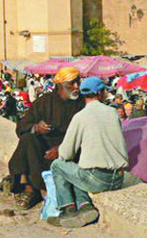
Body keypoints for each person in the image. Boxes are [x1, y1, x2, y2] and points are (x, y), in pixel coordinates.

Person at [48, 76, 128, 228]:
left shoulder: (80, 117)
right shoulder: (112, 113)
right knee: (80, 168)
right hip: (118, 178)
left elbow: (65, 154)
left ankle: (67, 210)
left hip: (98, 179)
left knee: (58, 166)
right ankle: (85, 207)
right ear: (101, 93)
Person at [7, 67, 85, 209]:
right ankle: (27, 188)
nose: (76, 87)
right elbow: (22, 126)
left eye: (78, 83)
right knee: (27, 140)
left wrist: (62, 149)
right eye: (72, 83)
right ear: (60, 85)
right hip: (43, 148)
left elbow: (86, 134)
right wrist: (36, 127)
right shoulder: (44, 102)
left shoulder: (82, 104)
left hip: (70, 149)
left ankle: (37, 189)